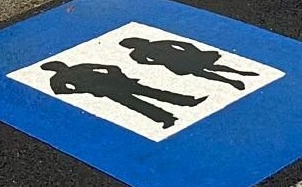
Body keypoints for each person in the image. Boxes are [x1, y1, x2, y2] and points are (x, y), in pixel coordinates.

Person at [41, 60, 205, 129]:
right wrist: (86, 89)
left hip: (113, 83)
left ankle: (186, 103)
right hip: (106, 87)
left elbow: (110, 67)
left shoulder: (77, 68)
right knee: (139, 102)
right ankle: (169, 116)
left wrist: (117, 76)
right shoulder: (60, 77)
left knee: (149, 95)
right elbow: (59, 90)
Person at [120, 37, 260, 90]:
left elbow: (184, 44)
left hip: (181, 58)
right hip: (175, 61)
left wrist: (194, 52)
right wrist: (160, 62)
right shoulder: (137, 53)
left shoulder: (159, 43)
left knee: (209, 68)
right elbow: (142, 62)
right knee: (203, 72)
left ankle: (238, 73)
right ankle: (231, 80)